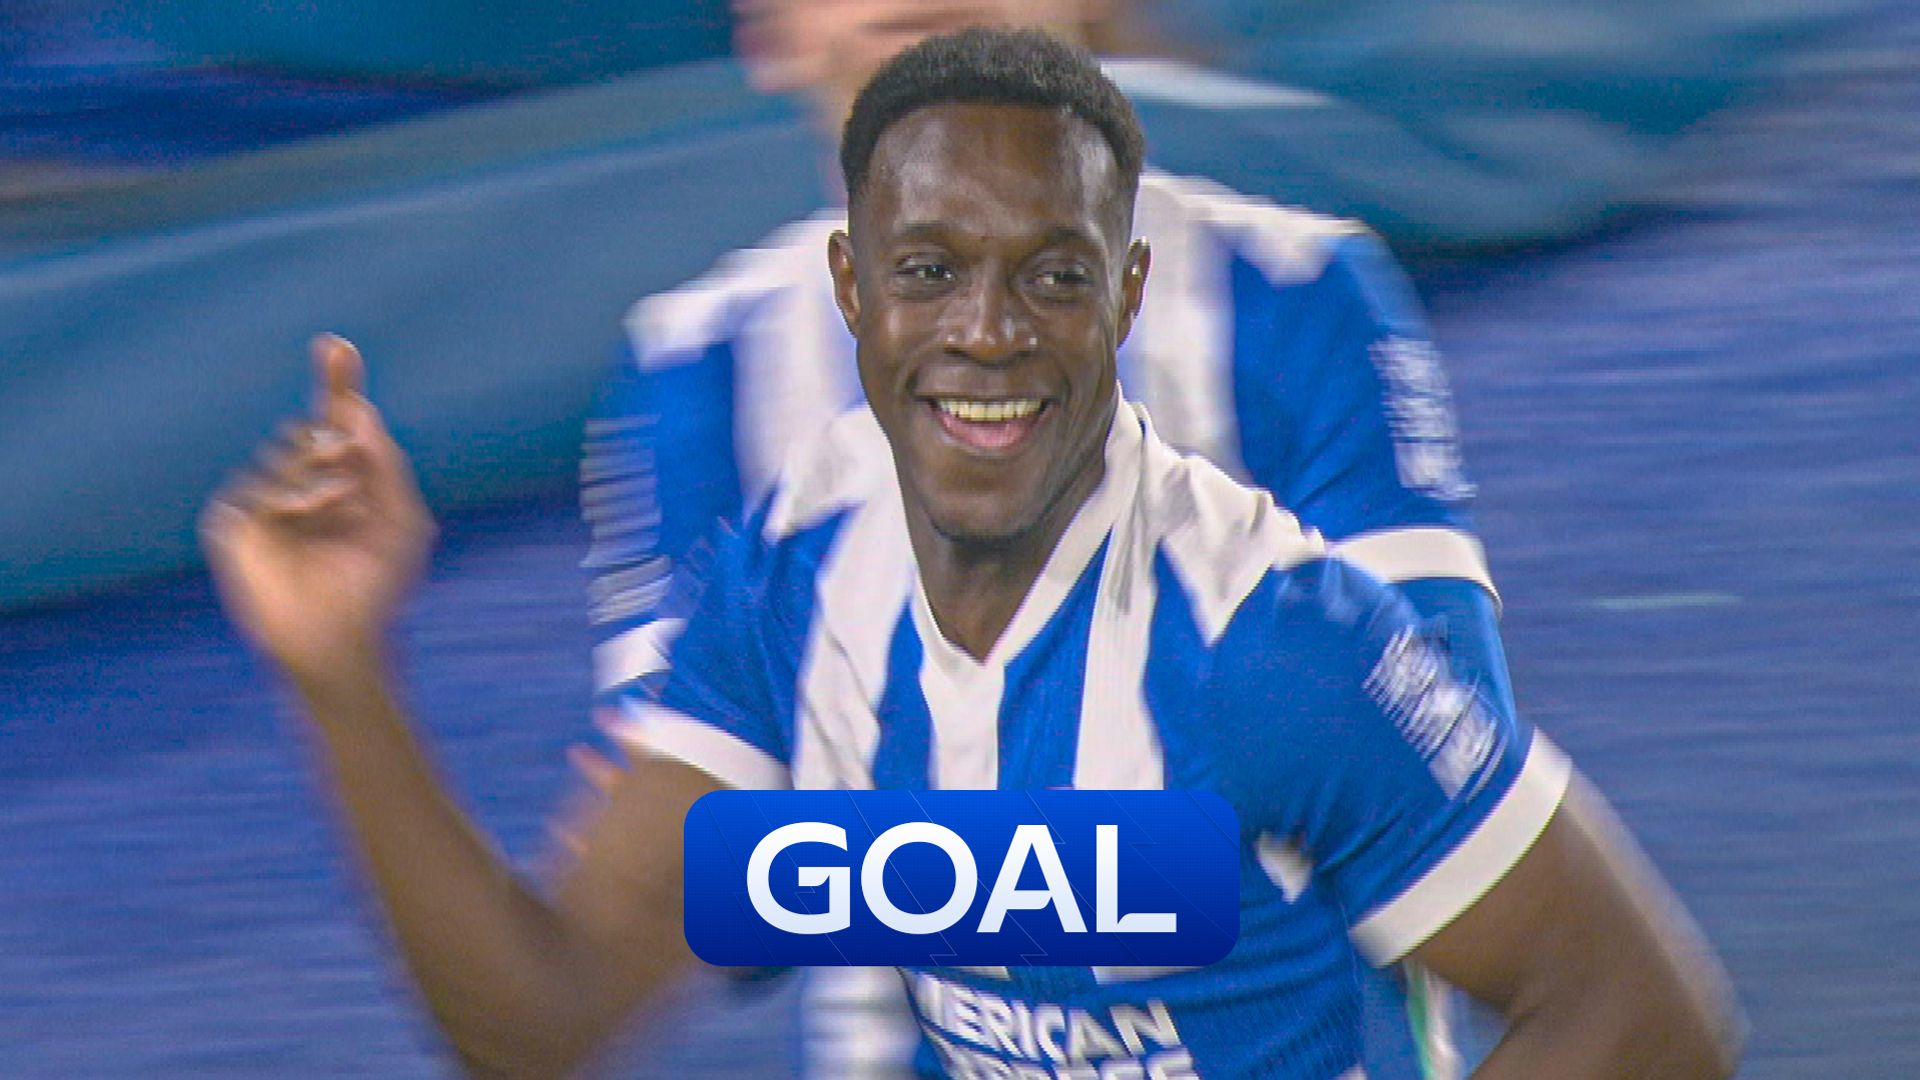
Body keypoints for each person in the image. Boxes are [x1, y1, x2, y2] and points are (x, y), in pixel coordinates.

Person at [203, 27, 1740, 1079]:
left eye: (1050, 278)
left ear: (1124, 296)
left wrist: (874, 855)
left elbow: (1486, 868)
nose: (987, 331)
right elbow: (567, 1003)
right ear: (852, 288)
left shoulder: (1276, 602)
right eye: (929, 271)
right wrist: (340, 672)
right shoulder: (777, 548)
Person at [583, 4, 1508, 1077]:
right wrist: (1198, 845)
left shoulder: (1294, 290)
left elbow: (1442, 783)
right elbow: (702, 899)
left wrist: (851, 847)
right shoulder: (698, 360)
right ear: (766, 29)